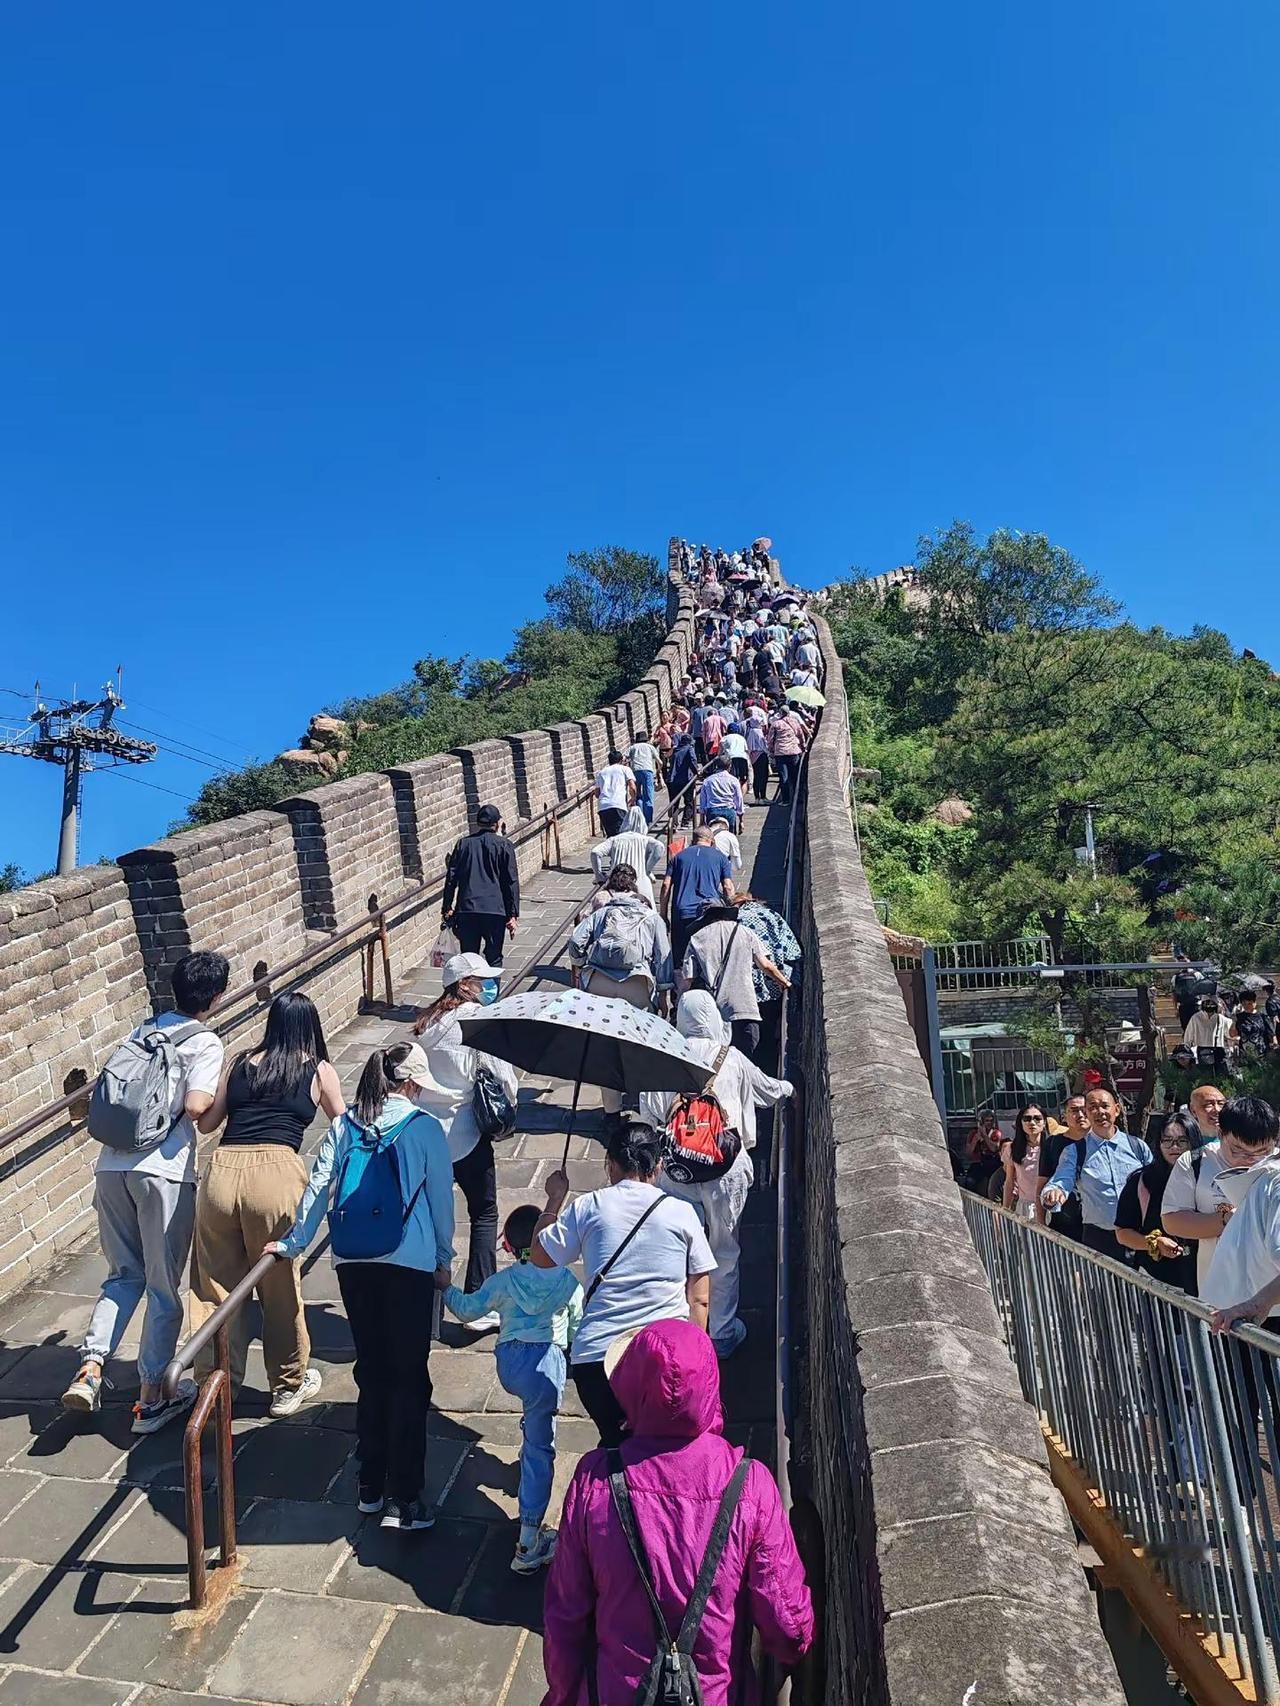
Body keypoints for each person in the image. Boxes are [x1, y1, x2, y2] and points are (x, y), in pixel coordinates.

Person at [540, 1319, 814, 1706]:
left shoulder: (595, 1479)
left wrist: (562, 1696)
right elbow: (789, 1629)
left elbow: (565, 1617)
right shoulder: (750, 1487)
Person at [270, 1042, 454, 1532]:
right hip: (408, 1262)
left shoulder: (344, 1125)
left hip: (353, 1261)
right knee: (410, 1376)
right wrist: (443, 1259)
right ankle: (405, 1499)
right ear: (411, 1083)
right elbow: (441, 1201)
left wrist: (294, 1243)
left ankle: (370, 1484)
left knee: (371, 1369)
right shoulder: (424, 1129)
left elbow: (317, 1188)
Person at [62, 949, 230, 1432]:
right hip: (163, 1173)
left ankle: (91, 1367)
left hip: (111, 1166)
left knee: (121, 1275)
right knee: (162, 1286)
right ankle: (153, 1397)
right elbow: (198, 1108)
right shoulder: (204, 1041)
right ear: (215, 996)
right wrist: (225, 1085)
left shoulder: (141, 1032)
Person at [190, 991, 343, 1416]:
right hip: (276, 1173)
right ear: (309, 1027)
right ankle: (287, 1384)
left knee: (213, 1286)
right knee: (278, 1285)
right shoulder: (318, 1069)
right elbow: (344, 1126)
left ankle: (215, 1384)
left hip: (222, 1171)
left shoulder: (239, 1063)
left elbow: (207, 1122)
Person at [530, 1123, 715, 1448]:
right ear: (658, 1166)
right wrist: (696, 1358)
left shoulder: (588, 1206)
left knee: (617, 1447)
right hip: (665, 1361)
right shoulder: (683, 1213)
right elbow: (699, 1299)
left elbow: (541, 1256)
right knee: (663, 1450)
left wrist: (553, 1200)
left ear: (610, 1164)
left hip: (597, 1362)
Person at [641, 992, 792, 1357]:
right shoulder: (732, 1058)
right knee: (724, 1251)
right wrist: (791, 1087)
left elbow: (649, 1116)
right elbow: (769, 1092)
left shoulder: (661, 1056)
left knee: (680, 1249)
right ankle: (721, 1333)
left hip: (677, 1168)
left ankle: (679, 1328)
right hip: (726, 1168)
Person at [440, 1203, 583, 1574]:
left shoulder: (503, 1281)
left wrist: (445, 1287)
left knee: (529, 1410)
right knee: (540, 1447)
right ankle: (529, 1540)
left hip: (509, 1362)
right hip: (544, 1364)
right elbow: (576, 1331)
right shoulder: (568, 1282)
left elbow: (469, 1311)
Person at [411, 953, 519, 1332]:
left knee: (429, 1221)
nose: (489, 986)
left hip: (428, 1136)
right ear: (464, 985)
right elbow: (504, 1079)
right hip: (467, 1135)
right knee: (484, 1212)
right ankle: (477, 1301)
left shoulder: (426, 1026)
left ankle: (426, 1303)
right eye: (483, 980)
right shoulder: (476, 1022)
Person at [568, 871, 674, 1114]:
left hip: (599, 982)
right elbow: (664, 957)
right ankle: (640, 1105)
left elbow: (575, 942)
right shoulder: (651, 916)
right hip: (636, 983)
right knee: (639, 1043)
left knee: (606, 1048)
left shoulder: (602, 913)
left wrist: (581, 963)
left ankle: (611, 1111)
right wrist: (663, 994)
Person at [1164, 1089, 1276, 1295]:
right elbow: (1172, 1220)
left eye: (1262, 1152)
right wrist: (1227, 1220)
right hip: (1224, 1293)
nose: (1250, 1160)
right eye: (1237, 1150)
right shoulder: (1194, 1162)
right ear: (1221, 1133)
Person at [1041, 1087, 1150, 1261]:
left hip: (1140, 1235)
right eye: (1092, 1107)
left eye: (1105, 1106)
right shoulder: (1075, 1152)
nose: (1100, 1112)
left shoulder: (1137, 1147)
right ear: (1086, 1113)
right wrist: (1054, 1193)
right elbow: (1062, 1180)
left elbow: (1154, 1182)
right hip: (1100, 1239)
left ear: (1117, 1109)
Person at [681, 906, 791, 1060]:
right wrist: (785, 982)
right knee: (747, 1059)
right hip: (744, 1006)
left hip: (714, 1012)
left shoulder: (697, 937)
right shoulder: (744, 932)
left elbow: (688, 980)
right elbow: (765, 965)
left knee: (720, 1061)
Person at [1113, 1113, 1197, 1289]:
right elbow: (1122, 1233)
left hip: (1204, 1278)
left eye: (1182, 1141)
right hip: (1158, 1281)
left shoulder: (1206, 1179)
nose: (1174, 1147)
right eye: (1167, 1140)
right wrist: (1154, 1243)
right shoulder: (1142, 1181)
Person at [442, 804, 519, 972]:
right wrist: (513, 914)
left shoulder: (463, 844)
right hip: (495, 911)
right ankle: (492, 995)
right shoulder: (504, 845)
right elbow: (511, 881)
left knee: (468, 959)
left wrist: (447, 907)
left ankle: (469, 995)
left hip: (467, 910)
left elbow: (451, 879)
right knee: (494, 958)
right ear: (497, 824)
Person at [661, 827, 736, 966]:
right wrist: (731, 911)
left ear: (693, 840)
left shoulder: (678, 857)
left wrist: (663, 915)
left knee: (680, 958)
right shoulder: (721, 858)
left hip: (681, 913)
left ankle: (680, 985)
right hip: (708, 913)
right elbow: (728, 886)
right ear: (712, 841)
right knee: (707, 957)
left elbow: (666, 885)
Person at [590, 805, 664, 905]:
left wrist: (599, 876)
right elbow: (659, 847)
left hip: (617, 883)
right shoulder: (645, 840)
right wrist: (647, 869)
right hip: (641, 881)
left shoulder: (615, 839)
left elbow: (595, 852)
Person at [1001, 1105, 1046, 1222]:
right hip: (1025, 1207)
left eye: (1037, 1118)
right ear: (1020, 1123)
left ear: (1044, 1122)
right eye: (1027, 1119)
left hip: (1048, 1205)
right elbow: (1009, 1181)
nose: (1032, 1122)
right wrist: (1005, 1210)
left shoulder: (1052, 1147)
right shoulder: (1012, 1148)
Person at [766, 703, 809, 804]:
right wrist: (803, 747)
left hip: (780, 753)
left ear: (780, 713)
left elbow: (770, 739)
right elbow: (800, 735)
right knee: (795, 776)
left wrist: (771, 751)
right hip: (794, 752)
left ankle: (786, 800)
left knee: (783, 777)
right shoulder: (794, 722)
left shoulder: (776, 724)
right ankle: (798, 798)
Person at [697, 756, 745, 835]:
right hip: (729, 810)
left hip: (712, 811)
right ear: (730, 766)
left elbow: (703, 801)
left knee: (712, 836)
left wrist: (702, 819)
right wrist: (741, 820)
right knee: (731, 836)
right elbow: (739, 799)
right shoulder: (734, 780)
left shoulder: (708, 780)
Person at [595, 750, 637, 839]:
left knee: (610, 836)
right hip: (618, 804)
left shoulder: (601, 773)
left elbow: (597, 793)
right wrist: (633, 799)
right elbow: (632, 786)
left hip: (603, 807)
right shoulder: (625, 769)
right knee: (621, 834)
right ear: (621, 760)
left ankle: (613, 852)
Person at [627, 731, 661, 826]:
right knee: (648, 796)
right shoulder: (650, 747)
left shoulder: (633, 747)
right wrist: (658, 771)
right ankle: (649, 820)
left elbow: (624, 758)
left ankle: (640, 819)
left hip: (635, 771)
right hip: (648, 771)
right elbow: (660, 762)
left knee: (638, 795)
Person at [1231, 988, 1276, 1062]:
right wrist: (1234, 1022)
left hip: (1262, 1052)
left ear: (1255, 1002)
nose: (1247, 1006)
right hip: (1246, 1053)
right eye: (1244, 1003)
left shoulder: (1262, 1016)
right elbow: (1233, 1034)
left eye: (1250, 1003)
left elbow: (1271, 1033)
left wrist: (1274, 1044)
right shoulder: (1239, 1017)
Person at [1183, 996, 1231, 1063]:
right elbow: (1188, 1036)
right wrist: (1187, 1048)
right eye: (1207, 1003)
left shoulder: (1221, 1018)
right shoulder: (1196, 1018)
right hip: (1202, 1051)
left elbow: (1231, 1033)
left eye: (1212, 1004)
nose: (1210, 1005)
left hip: (1219, 1051)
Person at [720, 725, 750, 790]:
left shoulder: (724, 738)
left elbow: (720, 752)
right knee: (743, 780)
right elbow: (746, 750)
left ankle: (733, 796)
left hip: (731, 759)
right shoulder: (742, 738)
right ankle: (741, 798)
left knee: (731, 779)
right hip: (742, 758)